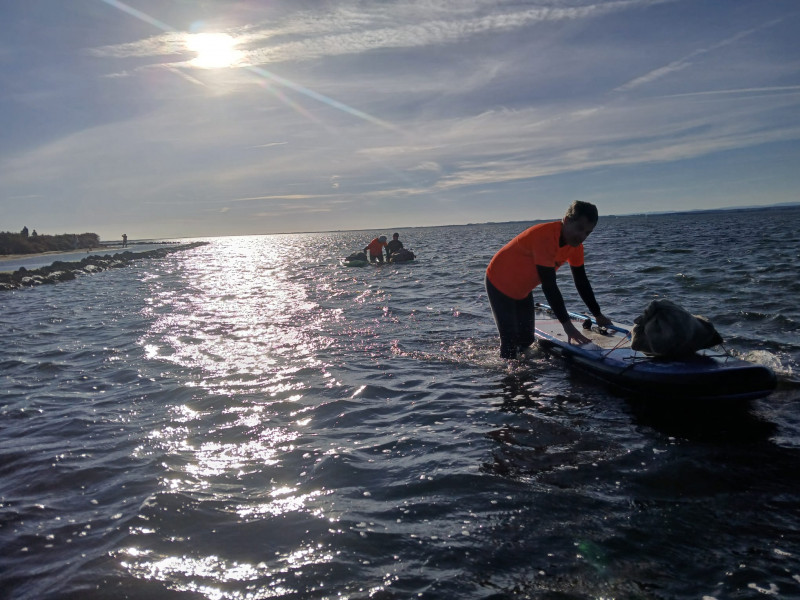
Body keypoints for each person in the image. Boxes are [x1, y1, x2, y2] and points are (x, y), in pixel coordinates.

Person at [485, 200, 612, 359]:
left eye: (587, 233)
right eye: (579, 228)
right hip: (499, 282)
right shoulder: (546, 237)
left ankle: (525, 377)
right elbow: (549, 286)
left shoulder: (575, 247)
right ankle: (506, 378)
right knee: (510, 342)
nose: (582, 236)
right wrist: (567, 326)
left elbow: (581, 282)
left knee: (527, 339)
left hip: (522, 290)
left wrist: (598, 314)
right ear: (566, 220)